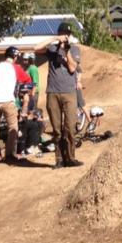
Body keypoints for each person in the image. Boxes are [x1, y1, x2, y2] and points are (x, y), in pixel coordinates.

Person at [43, 23, 83, 168]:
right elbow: (35, 48)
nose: (65, 36)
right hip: (53, 92)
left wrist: (66, 51)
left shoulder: (74, 49)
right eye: (63, 33)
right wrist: (54, 39)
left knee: (70, 127)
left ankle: (71, 158)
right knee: (56, 129)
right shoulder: (51, 49)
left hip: (69, 93)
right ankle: (59, 159)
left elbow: (72, 68)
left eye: (67, 34)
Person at [0, 46, 30, 164]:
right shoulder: (15, 67)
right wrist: (23, 93)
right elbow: (27, 80)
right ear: (15, 56)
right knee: (13, 128)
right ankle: (9, 155)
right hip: (8, 101)